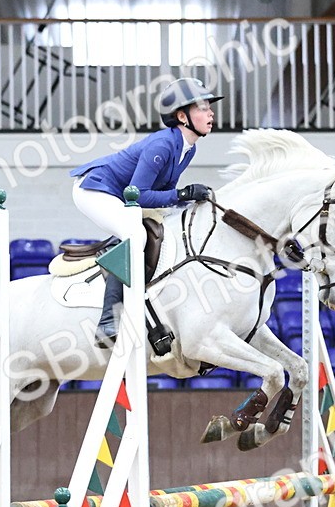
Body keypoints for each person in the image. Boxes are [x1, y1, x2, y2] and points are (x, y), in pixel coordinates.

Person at [69, 77, 222, 346]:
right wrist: (183, 195)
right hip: (94, 189)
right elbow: (138, 194)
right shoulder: (162, 145)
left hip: (122, 196)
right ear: (182, 116)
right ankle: (108, 321)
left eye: (209, 107)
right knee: (135, 236)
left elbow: (163, 196)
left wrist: (186, 201)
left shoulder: (188, 149)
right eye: (202, 107)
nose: (211, 113)